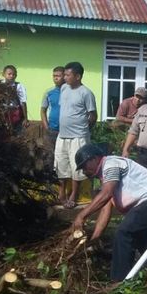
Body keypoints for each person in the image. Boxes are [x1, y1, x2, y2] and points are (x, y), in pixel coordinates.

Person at [71, 144, 147, 282]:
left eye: (84, 166)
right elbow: (105, 209)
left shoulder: (111, 164)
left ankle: (119, 280)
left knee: (124, 233)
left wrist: (81, 216)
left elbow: (106, 194)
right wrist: (94, 239)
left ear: (94, 159)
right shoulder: (105, 175)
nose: (84, 171)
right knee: (138, 236)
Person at [55, 61, 97, 208]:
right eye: (64, 74)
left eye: (67, 75)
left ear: (77, 76)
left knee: (76, 166)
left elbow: (93, 115)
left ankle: (74, 194)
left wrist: (84, 129)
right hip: (62, 135)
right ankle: (61, 193)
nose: (64, 77)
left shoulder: (86, 93)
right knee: (61, 164)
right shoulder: (64, 88)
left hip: (78, 137)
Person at [40, 66, 64, 148]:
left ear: (65, 76)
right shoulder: (49, 92)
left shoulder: (70, 92)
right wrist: (46, 126)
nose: (56, 78)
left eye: (58, 76)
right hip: (52, 130)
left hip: (68, 131)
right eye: (54, 76)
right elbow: (43, 110)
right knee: (50, 155)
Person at [2, 65, 28, 133]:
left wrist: (26, 118)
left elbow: (23, 102)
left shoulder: (19, 86)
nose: (11, 76)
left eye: (13, 74)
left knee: (16, 133)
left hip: (15, 113)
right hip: (3, 114)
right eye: (9, 74)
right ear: (3, 74)